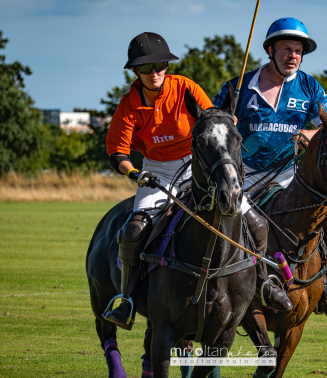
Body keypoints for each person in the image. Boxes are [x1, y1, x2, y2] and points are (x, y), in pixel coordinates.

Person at [103, 32, 291, 331]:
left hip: (198, 165)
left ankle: (266, 281)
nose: (154, 73)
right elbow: (117, 152)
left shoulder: (185, 87)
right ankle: (126, 298)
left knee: (254, 221)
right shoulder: (129, 104)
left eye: (160, 65)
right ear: (135, 71)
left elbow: (210, 117)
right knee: (134, 230)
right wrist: (135, 173)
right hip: (157, 171)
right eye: (146, 68)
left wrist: (227, 122)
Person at [213, 17, 327, 320]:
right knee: (247, 230)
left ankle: (324, 287)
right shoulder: (238, 87)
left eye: (298, 51)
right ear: (271, 50)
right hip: (243, 178)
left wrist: (306, 134)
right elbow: (211, 125)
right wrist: (226, 121)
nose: (293, 56)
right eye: (287, 49)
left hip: (289, 177)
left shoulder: (310, 87)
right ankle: (243, 285)